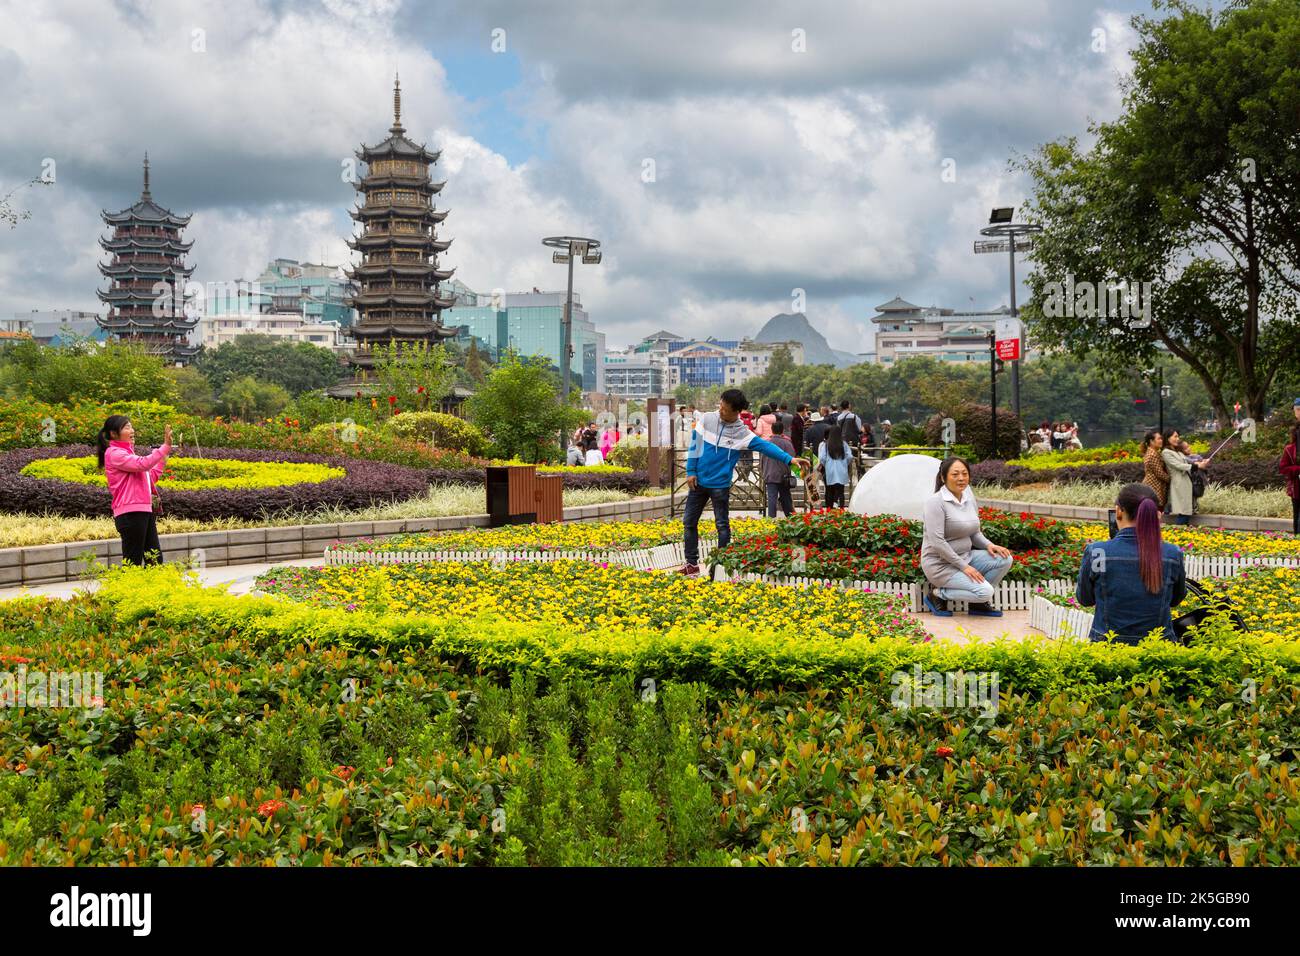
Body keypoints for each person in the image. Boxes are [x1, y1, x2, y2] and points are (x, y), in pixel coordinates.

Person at [680, 389, 799, 575]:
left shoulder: (742, 433)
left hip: (720, 485)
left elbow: (766, 446)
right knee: (689, 522)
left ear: (736, 412)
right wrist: (691, 471)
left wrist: (789, 459)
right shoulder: (706, 419)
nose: (721, 411)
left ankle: (720, 565)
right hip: (698, 482)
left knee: (722, 526)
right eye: (720, 405)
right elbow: (695, 445)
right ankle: (691, 563)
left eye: (725, 409)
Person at [1076, 483, 1186, 643]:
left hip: (1108, 648)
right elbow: (1176, 599)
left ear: (1119, 511)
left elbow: (1085, 599)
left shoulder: (1097, 552)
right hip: (1158, 650)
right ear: (1156, 515)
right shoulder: (1172, 554)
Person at [920, 457, 1014, 617]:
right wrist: (964, 567)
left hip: (966, 557)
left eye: (964, 473)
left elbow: (974, 532)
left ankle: (977, 605)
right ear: (943, 478)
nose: (961, 478)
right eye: (955, 474)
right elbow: (937, 542)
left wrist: (989, 545)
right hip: (940, 565)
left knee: (1004, 559)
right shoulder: (935, 503)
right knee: (985, 591)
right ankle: (937, 594)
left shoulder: (968, 500)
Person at [98, 415, 173, 567]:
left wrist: (161, 461)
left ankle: (154, 590)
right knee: (133, 563)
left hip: (144, 510)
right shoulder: (114, 453)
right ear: (113, 434)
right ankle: (127, 590)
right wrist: (164, 447)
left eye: (131, 427)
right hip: (130, 513)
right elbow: (142, 464)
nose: (132, 430)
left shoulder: (129, 455)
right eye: (127, 427)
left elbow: (149, 476)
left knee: (154, 560)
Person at [1161, 428, 1205, 525]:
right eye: (1175, 436)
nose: (1178, 439)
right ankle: (1177, 531)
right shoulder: (1166, 452)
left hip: (1186, 482)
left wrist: (1201, 462)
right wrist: (1197, 466)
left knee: (1187, 511)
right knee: (1184, 512)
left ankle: (1181, 532)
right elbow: (1178, 465)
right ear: (1168, 438)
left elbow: (1188, 460)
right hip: (1179, 483)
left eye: (1178, 436)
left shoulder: (1178, 451)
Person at [762, 419, 797, 518]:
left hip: (770, 474)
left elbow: (762, 459)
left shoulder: (766, 443)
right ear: (782, 430)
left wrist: (763, 471)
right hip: (783, 475)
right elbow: (792, 458)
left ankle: (771, 519)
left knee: (772, 498)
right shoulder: (787, 443)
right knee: (785, 496)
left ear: (772, 430)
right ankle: (790, 517)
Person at [817, 424, 850, 509]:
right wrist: (845, 463)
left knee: (829, 491)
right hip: (841, 471)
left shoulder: (826, 444)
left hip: (830, 470)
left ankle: (829, 510)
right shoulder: (844, 444)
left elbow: (822, 457)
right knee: (841, 491)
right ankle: (841, 509)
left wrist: (826, 464)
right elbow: (849, 456)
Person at [1140, 430, 1169, 511]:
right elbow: (1160, 474)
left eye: (1162, 439)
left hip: (1154, 485)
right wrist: (1172, 479)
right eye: (1159, 439)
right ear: (1151, 441)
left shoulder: (1153, 452)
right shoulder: (1152, 454)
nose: (1161, 441)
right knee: (1155, 511)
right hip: (1154, 486)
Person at [1280, 419, 1300, 535]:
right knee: (1297, 514)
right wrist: (1297, 470)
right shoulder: (1289, 449)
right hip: (1296, 488)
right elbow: (1283, 468)